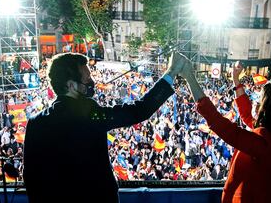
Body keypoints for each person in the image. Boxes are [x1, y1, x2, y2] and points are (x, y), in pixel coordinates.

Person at [23, 52, 185, 202]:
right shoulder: (90, 116)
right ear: (71, 85)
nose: (92, 82)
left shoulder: (36, 123)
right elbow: (138, 111)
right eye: (87, 78)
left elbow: (30, 178)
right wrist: (171, 72)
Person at [181, 59, 271, 203]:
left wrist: (189, 77)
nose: (255, 103)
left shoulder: (264, 144)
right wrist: (236, 80)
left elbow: (218, 123)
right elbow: (246, 115)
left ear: (269, 109)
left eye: (260, 100)